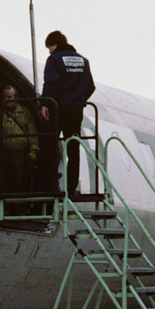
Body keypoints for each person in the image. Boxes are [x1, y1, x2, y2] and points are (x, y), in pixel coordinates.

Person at [40, 30, 95, 197]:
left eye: (49, 47)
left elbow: (51, 84)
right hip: (76, 111)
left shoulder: (54, 59)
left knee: (50, 149)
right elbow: (91, 86)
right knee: (73, 150)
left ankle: (48, 187)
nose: (49, 51)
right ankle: (71, 189)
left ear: (54, 44)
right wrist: (80, 99)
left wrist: (44, 104)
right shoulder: (83, 61)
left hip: (58, 110)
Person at [0, 84, 38, 195]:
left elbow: (32, 133)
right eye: (4, 97)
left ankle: (20, 210)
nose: (6, 100)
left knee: (18, 183)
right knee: (1, 184)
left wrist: (33, 150)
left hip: (18, 154)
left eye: (9, 97)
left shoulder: (25, 113)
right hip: (0, 153)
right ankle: (4, 210)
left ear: (16, 97)